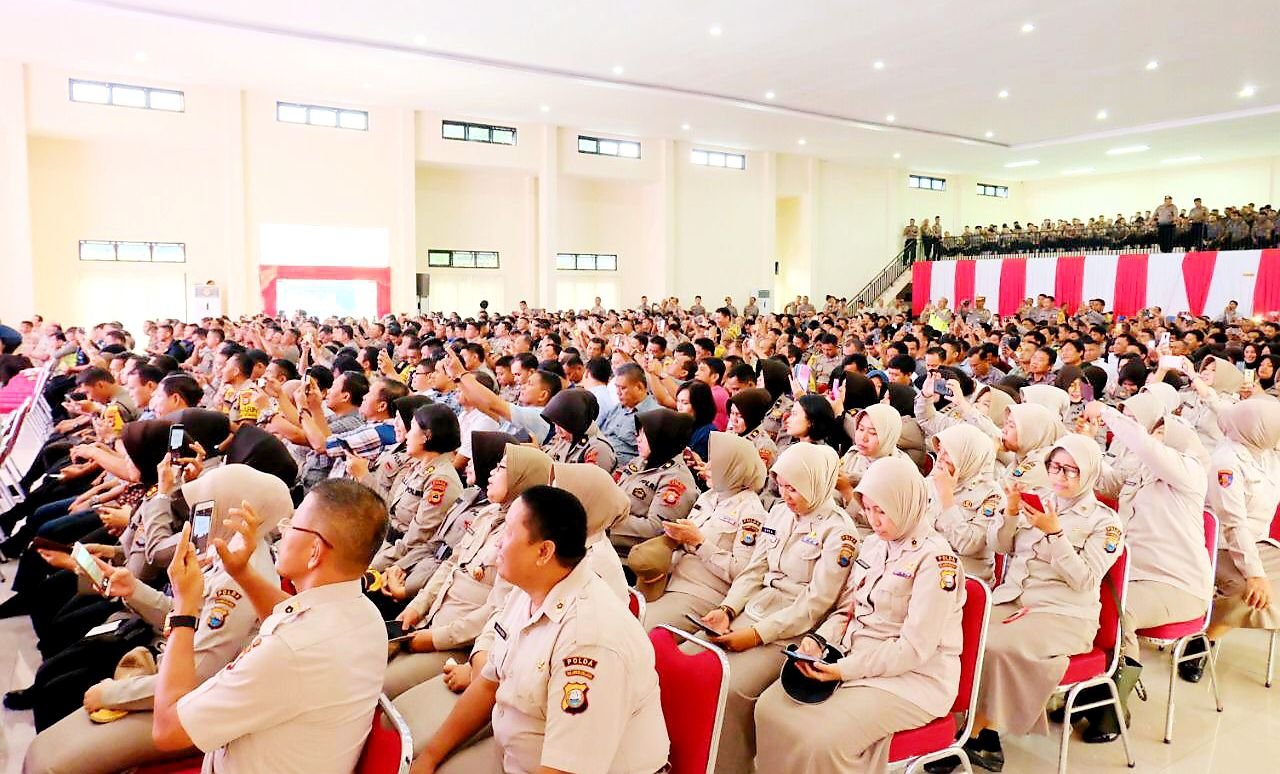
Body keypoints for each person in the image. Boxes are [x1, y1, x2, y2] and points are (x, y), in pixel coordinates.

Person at [23, 465, 293, 774]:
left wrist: (114, 693)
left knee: (49, 761)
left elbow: (198, 674)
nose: (199, 517)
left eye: (210, 507)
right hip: (170, 669)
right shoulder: (226, 551)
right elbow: (185, 615)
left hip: (193, 703)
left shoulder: (241, 578)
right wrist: (133, 589)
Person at [406, 486, 669, 773]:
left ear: (544, 551)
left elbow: (566, 768)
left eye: (508, 533)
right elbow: (488, 683)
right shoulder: (530, 589)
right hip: (518, 749)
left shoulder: (590, 639)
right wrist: (429, 757)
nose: (498, 543)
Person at [149, 479, 390, 774]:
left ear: (315, 551)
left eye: (292, 525)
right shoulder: (367, 616)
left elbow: (167, 729)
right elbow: (291, 620)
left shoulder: (289, 652)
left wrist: (184, 610)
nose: (283, 532)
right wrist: (240, 571)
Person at [753, 456, 963, 774]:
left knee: (818, 740)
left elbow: (913, 649)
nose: (874, 520)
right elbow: (848, 610)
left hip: (912, 679)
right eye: (869, 509)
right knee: (770, 709)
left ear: (905, 504)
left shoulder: (935, 561)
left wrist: (844, 670)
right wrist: (817, 642)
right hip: (855, 657)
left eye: (882, 511)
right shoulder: (874, 546)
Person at [693, 443, 857, 773]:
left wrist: (756, 635)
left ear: (813, 484)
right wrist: (727, 609)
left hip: (792, 629)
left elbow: (815, 604)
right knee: (689, 658)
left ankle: (729, 767)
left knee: (731, 686)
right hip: (754, 609)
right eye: (781, 485)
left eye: (793, 488)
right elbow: (755, 569)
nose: (785, 495)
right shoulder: (780, 512)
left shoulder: (838, 532)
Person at [964, 435, 1123, 770]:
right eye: (1054, 466)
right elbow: (1001, 546)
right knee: (959, 634)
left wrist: (1055, 534)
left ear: (1089, 472)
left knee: (995, 646)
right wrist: (1009, 514)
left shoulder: (1105, 522)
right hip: (1014, 600)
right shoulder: (1039, 501)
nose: (1059, 476)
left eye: (1070, 470)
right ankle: (969, 721)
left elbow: (1085, 579)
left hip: (1064, 613)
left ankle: (981, 734)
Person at [384, 443, 552, 698]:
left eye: (501, 468)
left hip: (461, 644)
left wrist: (436, 638)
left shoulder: (524, 539)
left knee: (384, 684)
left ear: (522, 479)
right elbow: (451, 564)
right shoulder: (488, 513)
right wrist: (417, 607)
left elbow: (498, 609)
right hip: (429, 620)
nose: (492, 472)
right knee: (369, 663)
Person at [633, 431, 768, 625]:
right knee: (618, 617)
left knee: (639, 628)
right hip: (668, 579)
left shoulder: (751, 512)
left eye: (718, 463)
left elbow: (742, 571)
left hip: (701, 592)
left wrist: (699, 542)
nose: (708, 466)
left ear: (734, 469)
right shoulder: (709, 496)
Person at [1191, 400, 1280, 681]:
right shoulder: (1227, 462)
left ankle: (1205, 632)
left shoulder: (1266, 452)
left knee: (1265, 593)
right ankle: (1200, 639)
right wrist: (1255, 574)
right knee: (1247, 591)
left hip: (1257, 541)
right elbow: (1233, 523)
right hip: (1219, 544)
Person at [611, 408, 699, 558]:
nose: (638, 439)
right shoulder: (641, 461)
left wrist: (607, 522)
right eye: (638, 433)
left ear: (662, 437)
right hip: (608, 543)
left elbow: (656, 529)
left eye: (644, 434)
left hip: (631, 557)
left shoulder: (676, 480)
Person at [928, 424, 1004, 584]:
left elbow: (968, 545)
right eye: (940, 450)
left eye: (948, 453)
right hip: (926, 565)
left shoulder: (991, 494)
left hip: (964, 574)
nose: (940, 458)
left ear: (968, 457)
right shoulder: (931, 481)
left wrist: (947, 498)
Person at [539, 388, 616, 472]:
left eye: (562, 426)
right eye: (555, 424)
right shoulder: (564, 438)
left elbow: (591, 480)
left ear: (576, 421)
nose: (557, 431)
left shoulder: (599, 449)